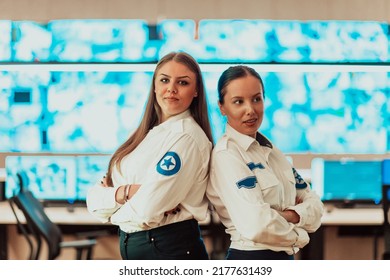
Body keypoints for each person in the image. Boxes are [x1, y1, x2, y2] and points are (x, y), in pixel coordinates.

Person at [86, 51, 213, 260]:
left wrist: (112, 212)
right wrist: (127, 192)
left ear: (196, 90)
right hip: (144, 247)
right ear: (154, 86)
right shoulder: (142, 136)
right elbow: (93, 200)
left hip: (169, 250)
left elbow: (146, 210)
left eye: (182, 83)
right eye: (164, 80)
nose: (171, 89)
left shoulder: (186, 137)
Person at [206, 65, 324, 260]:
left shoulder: (272, 152)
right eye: (238, 102)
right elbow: (257, 224)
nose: (250, 110)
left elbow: (316, 206)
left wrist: (288, 215)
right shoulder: (227, 155)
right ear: (222, 107)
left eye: (256, 99)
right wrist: (300, 234)